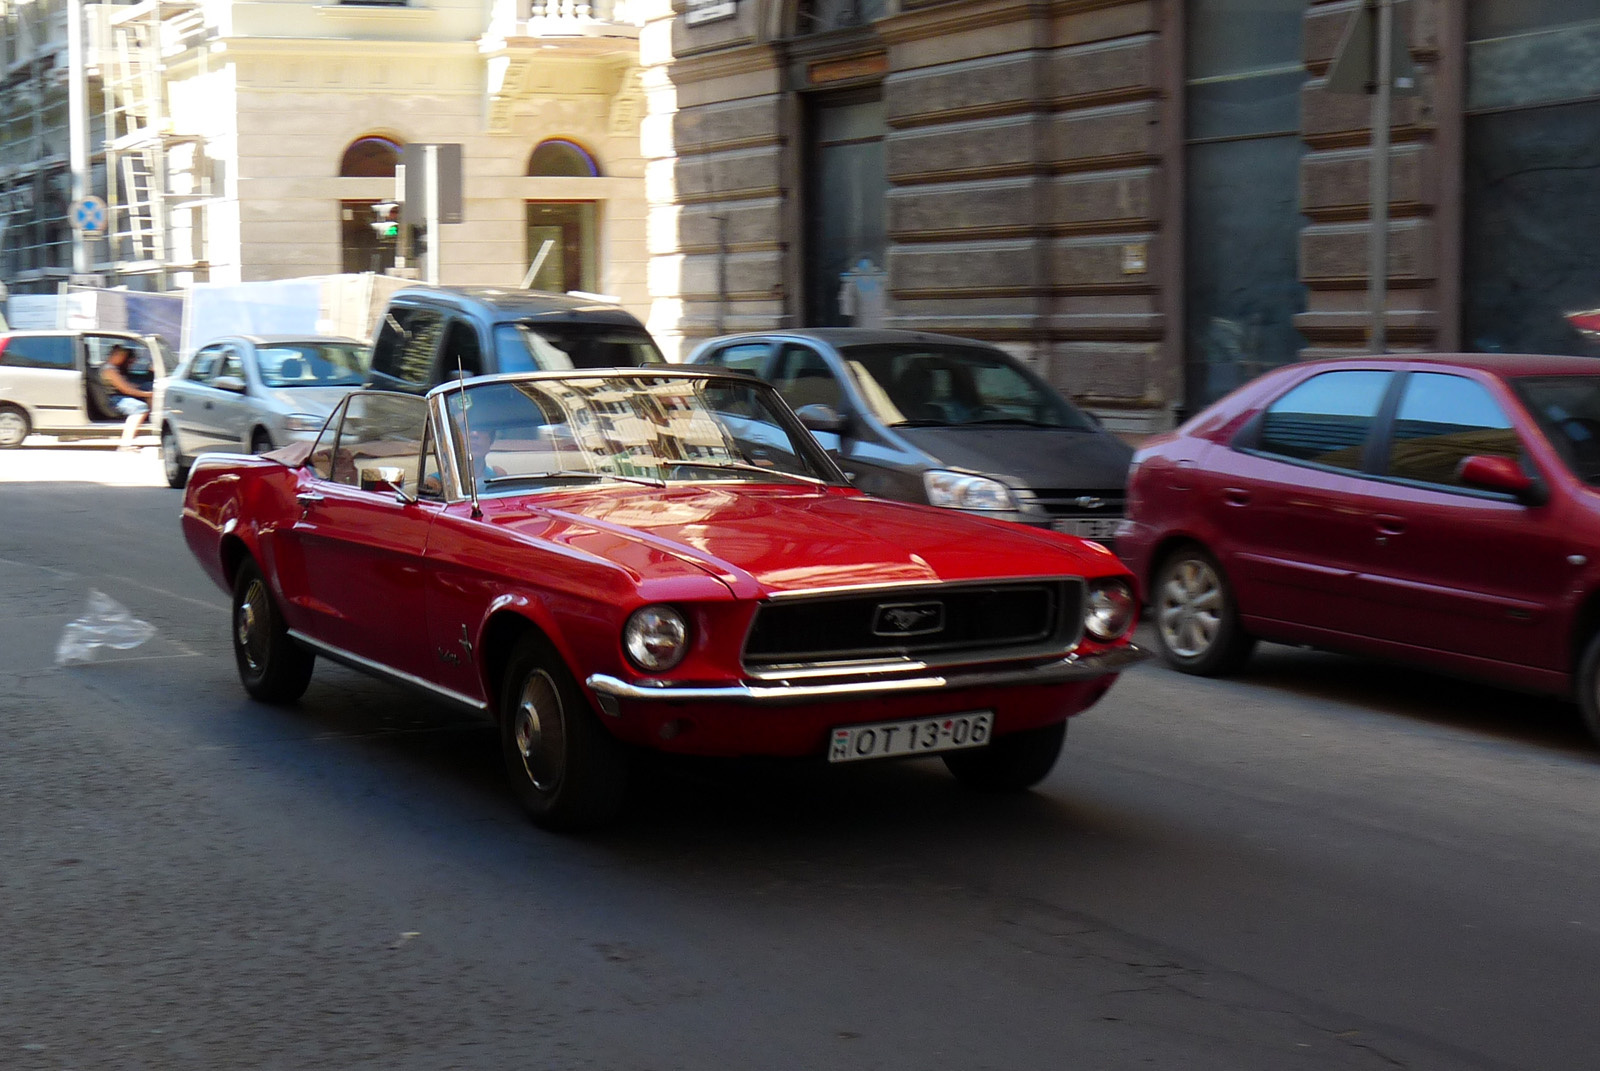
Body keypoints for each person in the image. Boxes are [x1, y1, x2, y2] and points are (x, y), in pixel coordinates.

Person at [101, 344, 153, 451]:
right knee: (140, 408)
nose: (124, 359)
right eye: (123, 356)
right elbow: (127, 390)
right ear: (116, 355)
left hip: (118, 395)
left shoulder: (112, 368)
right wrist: (148, 394)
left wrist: (143, 388)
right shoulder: (109, 370)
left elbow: (126, 385)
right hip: (115, 400)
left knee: (147, 386)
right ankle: (126, 443)